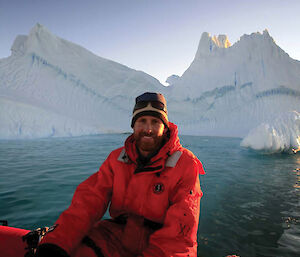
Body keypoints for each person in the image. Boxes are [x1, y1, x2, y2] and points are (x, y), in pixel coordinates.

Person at [36, 92, 205, 257]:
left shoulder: (185, 163)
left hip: (161, 245)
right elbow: (88, 202)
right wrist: (56, 242)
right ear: (133, 126)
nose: (148, 129)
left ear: (165, 126)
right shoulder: (117, 159)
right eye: (142, 121)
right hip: (115, 236)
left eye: (155, 122)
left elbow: (180, 232)